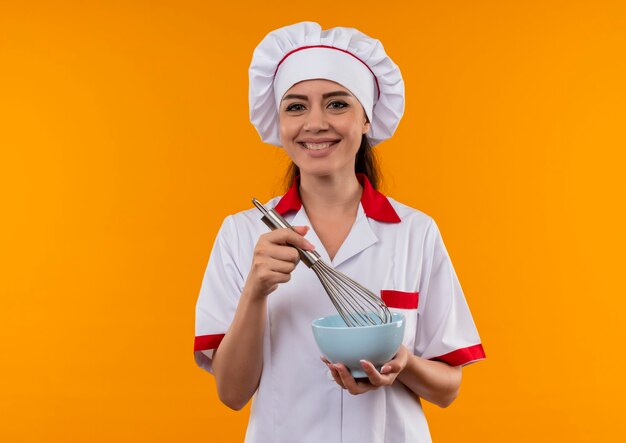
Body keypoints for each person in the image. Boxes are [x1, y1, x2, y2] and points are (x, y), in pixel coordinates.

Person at [194, 22, 485, 443]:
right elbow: (232, 393)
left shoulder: (415, 232)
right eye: (295, 107)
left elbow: (448, 387)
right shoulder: (241, 235)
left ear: (366, 118)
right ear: (278, 124)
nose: (315, 123)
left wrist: (402, 363)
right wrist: (255, 291)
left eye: (336, 104)